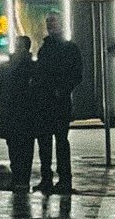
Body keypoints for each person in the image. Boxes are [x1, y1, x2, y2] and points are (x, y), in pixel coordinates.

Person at [31, 12, 83, 195]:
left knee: (57, 141)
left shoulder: (63, 48)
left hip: (55, 101)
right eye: (48, 22)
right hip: (51, 101)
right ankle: (54, 179)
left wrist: (61, 89)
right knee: (50, 141)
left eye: (53, 22)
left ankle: (59, 179)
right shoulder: (54, 48)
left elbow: (76, 74)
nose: (50, 25)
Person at [0, 36, 35, 192]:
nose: (18, 49)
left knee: (19, 147)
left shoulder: (8, 67)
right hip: (19, 113)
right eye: (17, 45)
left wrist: (1, 103)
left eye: (20, 46)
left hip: (18, 113)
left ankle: (21, 179)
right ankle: (20, 179)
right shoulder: (29, 66)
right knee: (18, 147)